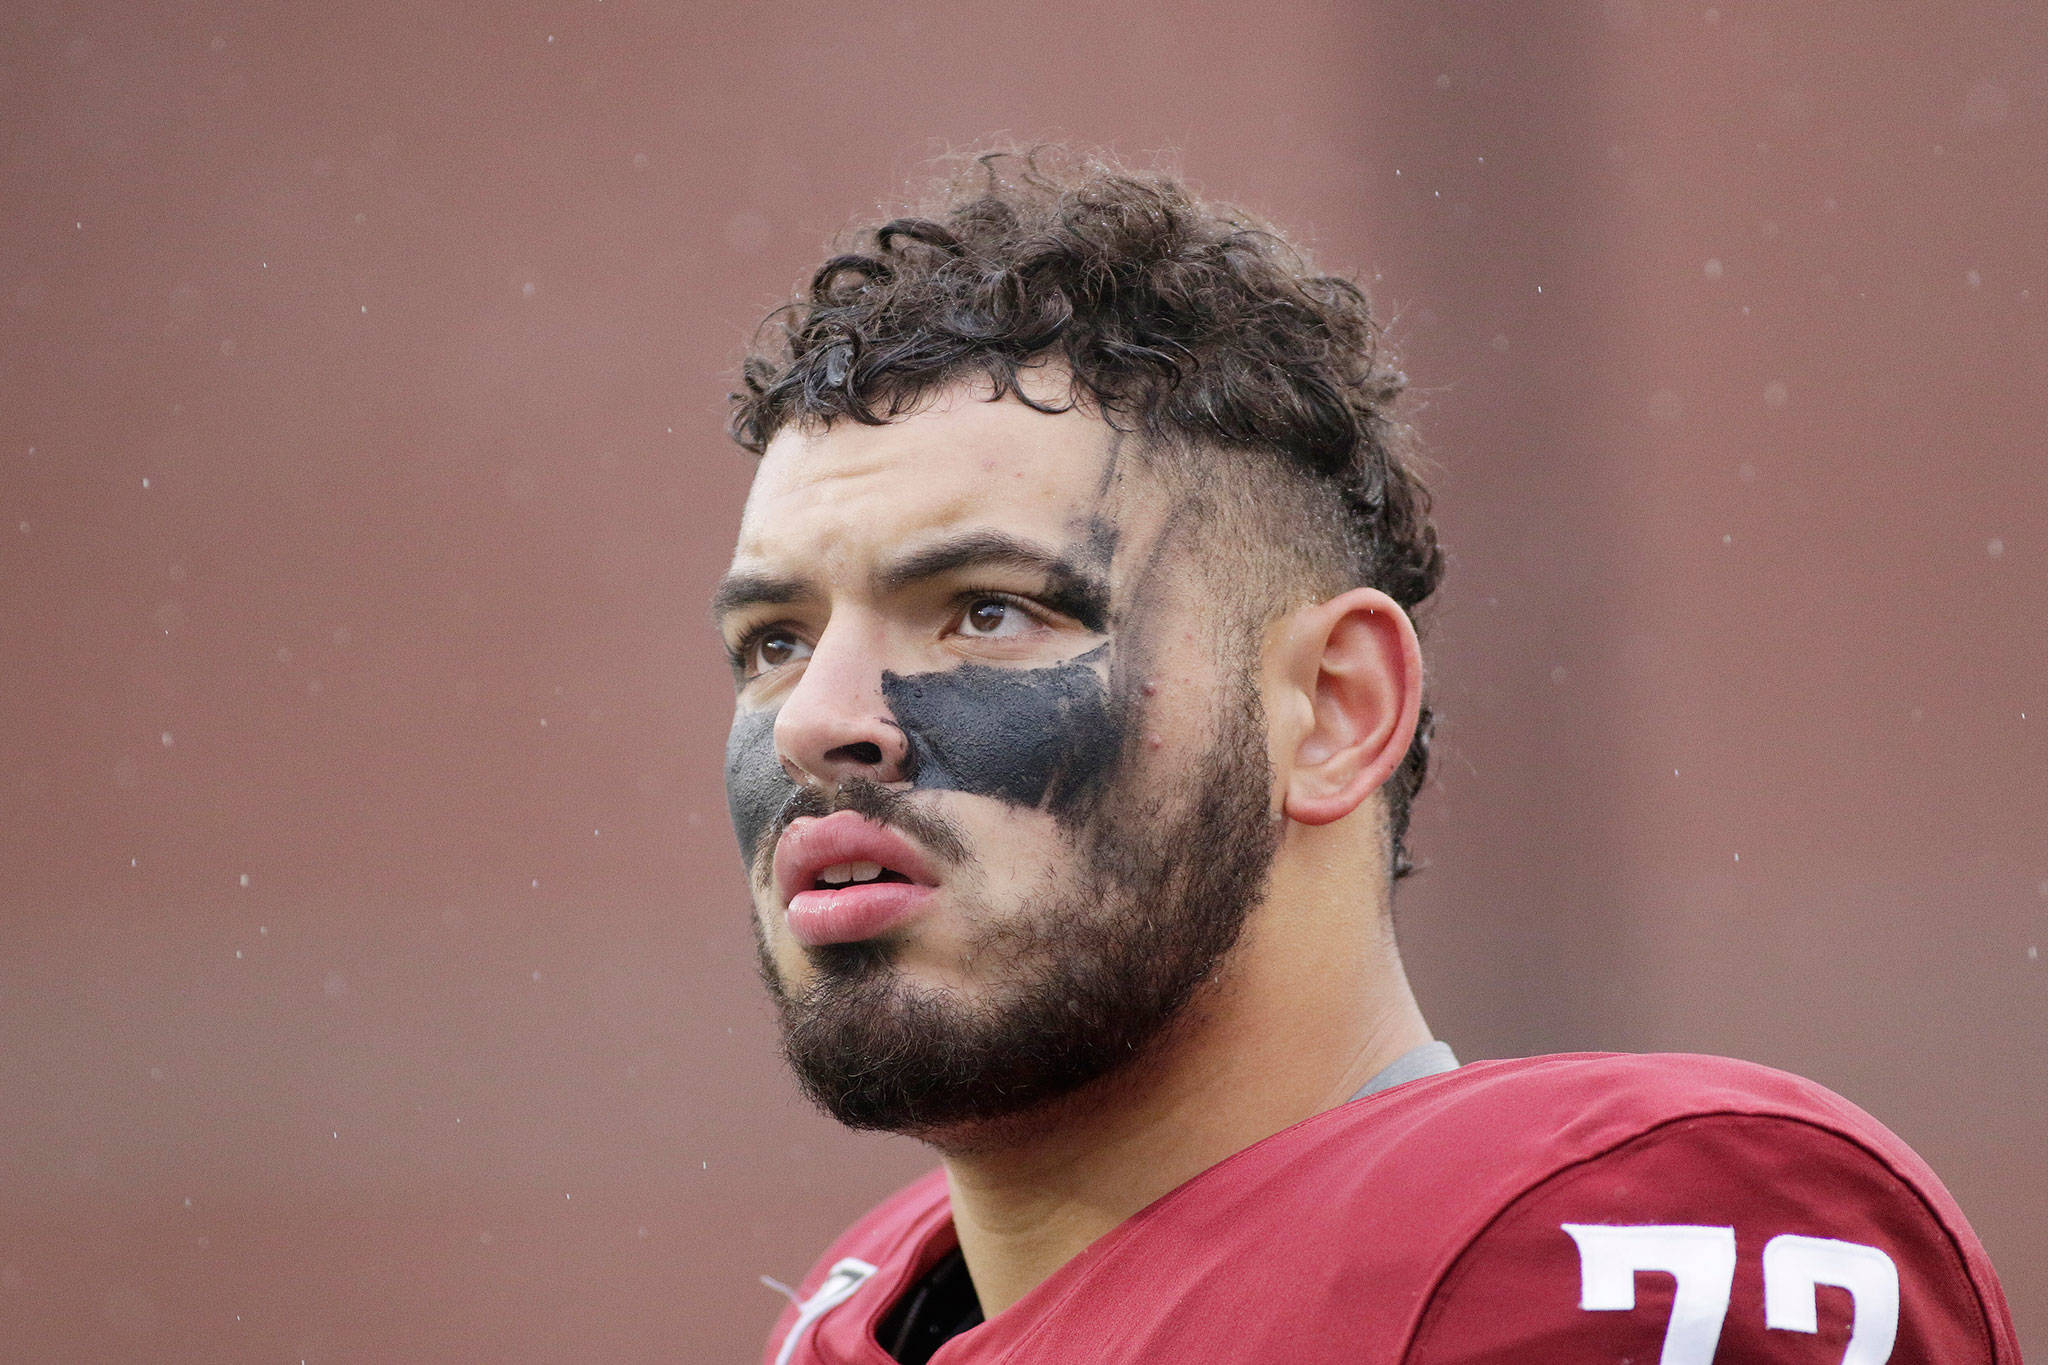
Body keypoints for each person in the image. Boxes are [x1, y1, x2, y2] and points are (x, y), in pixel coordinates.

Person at [712, 150, 2018, 1364]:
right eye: (772, 640)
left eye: (988, 610)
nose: (817, 717)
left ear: (1332, 708)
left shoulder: (1609, 1248)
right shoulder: (862, 1307)